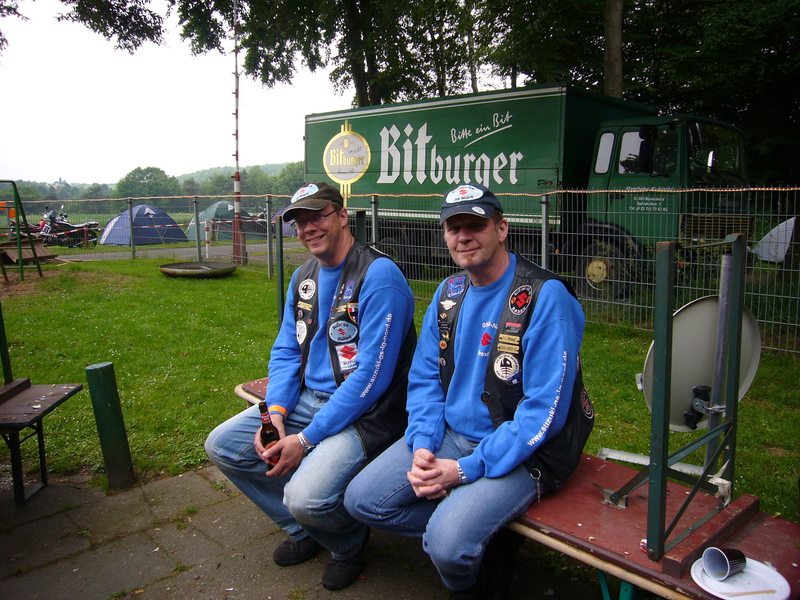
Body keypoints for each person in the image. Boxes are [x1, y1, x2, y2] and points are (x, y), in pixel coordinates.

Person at [344, 183, 594, 599]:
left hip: (526, 450)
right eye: (453, 227)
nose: (463, 237)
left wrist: (462, 471)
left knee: (446, 545)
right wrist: (423, 445)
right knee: (362, 500)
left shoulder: (545, 296)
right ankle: (480, 536)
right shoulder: (449, 294)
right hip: (450, 434)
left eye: (475, 225)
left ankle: (467, 574)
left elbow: (543, 413)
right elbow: (425, 379)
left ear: (502, 229)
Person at [206, 182, 416, 591]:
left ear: (342, 216)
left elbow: (371, 379)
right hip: (307, 401)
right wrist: (277, 415)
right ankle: (303, 529)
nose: (308, 228)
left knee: (305, 496)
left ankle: (347, 542)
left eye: (318, 216)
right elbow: (287, 351)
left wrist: (305, 440)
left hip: (369, 412)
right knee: (224, 446)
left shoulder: (379, 275)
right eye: (300, 222)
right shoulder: (304, 277)